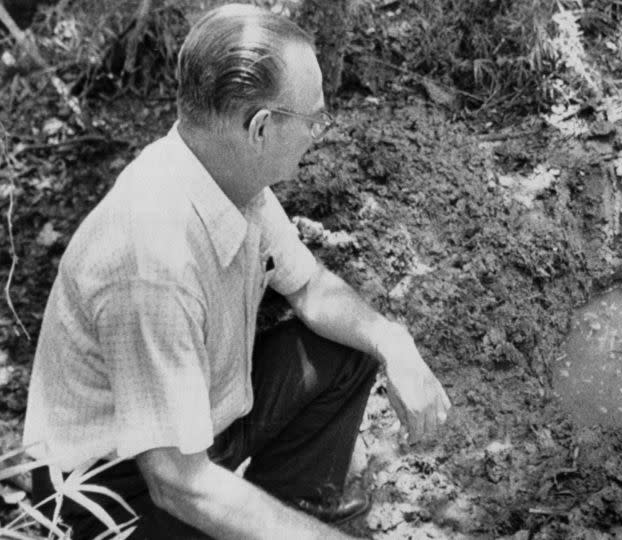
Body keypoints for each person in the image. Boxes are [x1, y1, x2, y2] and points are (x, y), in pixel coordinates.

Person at [21, 4, 451, 539]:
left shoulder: (230, 179)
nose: (320, 132)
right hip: (113, 492)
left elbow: (313, 289)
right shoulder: (152, 261)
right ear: (261, 128)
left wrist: (395, 342)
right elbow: (177, 482)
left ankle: (294, 514)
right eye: (315, 119)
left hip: (201, 429)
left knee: (346, 352)